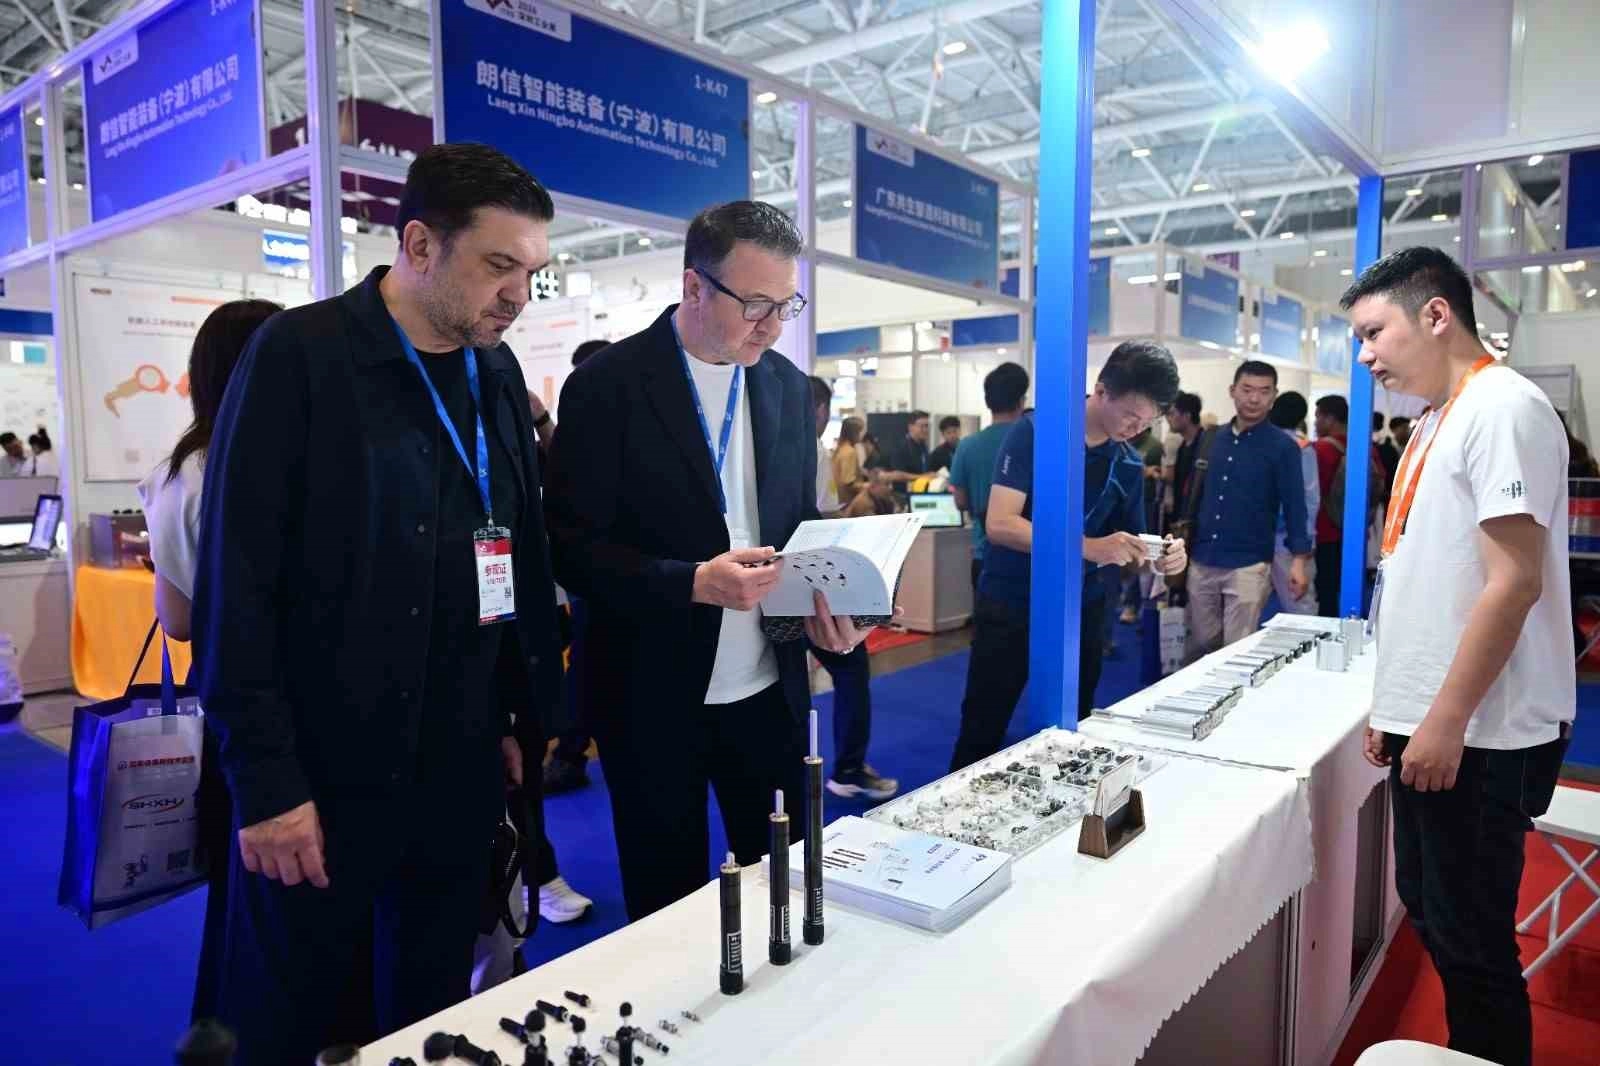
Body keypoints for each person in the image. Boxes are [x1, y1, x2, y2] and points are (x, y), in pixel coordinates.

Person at [190, 144, 565, 1064]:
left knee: (428, 1011)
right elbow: (239, 587)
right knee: (285, 1017)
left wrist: (513, 713)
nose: (518, 295)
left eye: (532, 272)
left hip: (457, 767)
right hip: (323, 773)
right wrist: (267, 786)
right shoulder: (301, 357)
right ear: (420, 245)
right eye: (499, 265)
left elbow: (510, 553)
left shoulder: (495, 374)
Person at [545, 200, 875, 922]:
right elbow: (571, 547)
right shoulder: (608, 386)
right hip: (650, 691)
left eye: (785, 304)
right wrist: (690, 582)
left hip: (768, 685)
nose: (772, 325)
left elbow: (796, 524)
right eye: (755, 304)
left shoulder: (785, 386)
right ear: (694, 286)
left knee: (785, 885)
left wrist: (834, 605)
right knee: (666, 902)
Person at [1347, 246, 1573, 1066]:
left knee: (1472, 942)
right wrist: (1396, 706)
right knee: (1434, 910)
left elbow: (1512, 583)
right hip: (1437, 718)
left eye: (1375, 333)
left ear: (1436, 314)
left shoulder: (1503, 408)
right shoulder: (1436, 418)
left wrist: (1442, 720)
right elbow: (1426, 574)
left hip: (1482, 729)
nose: (1365, 355)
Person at [131, 299, 280, 1026]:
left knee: (241, 881)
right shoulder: (293, 457)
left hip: (224, 694)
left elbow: (179, 620)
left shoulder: (177, 472)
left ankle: (228, 1026)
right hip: (299, 699)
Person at [949, 341, 1188, 770]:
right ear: (1102, 391)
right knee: (984, 723)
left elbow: (1135, 542)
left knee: (1071, 729)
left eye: (1147, 422)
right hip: (1011, 599)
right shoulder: (1036, 433)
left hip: (1082, 607)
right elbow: (1001, 523)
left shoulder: (1127, 463)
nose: (1136, 429)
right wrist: (1088, 546)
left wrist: (1165, 554)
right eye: (1131, 415)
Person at [808, 376, 898, 800]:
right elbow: (826, 519)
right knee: (850, 667)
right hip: (806, 582)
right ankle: (846, 768)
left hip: (773, 580)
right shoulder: (814, 450)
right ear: (821, 409)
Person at [1183, 361, 1311, 660]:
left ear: (1274, 396)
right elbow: (1191, 496)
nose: (1254, 399)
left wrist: (1298, 561)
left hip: (1249, 562)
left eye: (1264, 392)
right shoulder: (1211, 438)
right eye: (1247, 389)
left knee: (1236, 651)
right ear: (1232, 391)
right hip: (1202, 556)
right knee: (1201, 644)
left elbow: (1295, 505)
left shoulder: (1283, 447)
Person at [540, 337, 612, 799]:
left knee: (589, 661)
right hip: (592, 568)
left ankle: (570, 752)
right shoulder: (591, 417)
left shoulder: (611, 413)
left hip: (610, 567)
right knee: (587, 659)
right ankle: (569, 751)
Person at [949, 363, 1029, 592]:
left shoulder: (967, 446)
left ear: (987, 401)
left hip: (984, 553)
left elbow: (960, 501)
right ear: (1021, 401)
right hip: (1026, 553)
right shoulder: (1032, 441)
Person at [1313, 394, 1387, 617]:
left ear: (1329, 418)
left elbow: (1313, 492)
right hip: (1356, 531)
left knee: (1326, 593)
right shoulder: (1365, 447)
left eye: (1317, 417)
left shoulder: (1320, 449)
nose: (1315, 423)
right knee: (1353, 588)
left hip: (1325, 530)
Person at [1266, 392, 1321, 615]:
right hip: (1288, 539)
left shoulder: (1261, 442)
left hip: (1261, 538)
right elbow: (1311, 499)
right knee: (1299, 606)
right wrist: (1307, 541)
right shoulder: (1302, 447)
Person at [884, 410, 931, 487]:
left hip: (920, 489)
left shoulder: (923, 446)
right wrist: (923, 476)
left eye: (926, 426)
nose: (925, 430)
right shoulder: (900, 447)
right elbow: (897, 475)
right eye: (922, 426)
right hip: (902, 492)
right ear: (910, 427)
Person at [833, 416, 867, 502]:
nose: (862, 434)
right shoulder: (850, 452)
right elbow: (848, 483)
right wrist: (869, 485)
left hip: (838, 499)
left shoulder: (841, 449)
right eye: (860, 431)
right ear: (853, 433)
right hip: (847, 501)